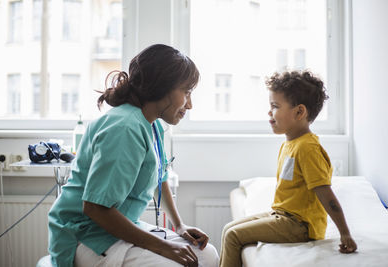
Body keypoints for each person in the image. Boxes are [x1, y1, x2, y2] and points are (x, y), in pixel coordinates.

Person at [48, 44, 219, 267]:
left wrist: (179, 226)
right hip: (84, 236)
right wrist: (164, 247)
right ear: (162, 87)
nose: (190, 104)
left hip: (116, 230)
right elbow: (95, 208)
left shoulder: (152, 125)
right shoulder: (125, 128)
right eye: (186, 92)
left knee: (207, 255)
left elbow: (161, 175)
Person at [219, 70, 357, 267]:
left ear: (299, 112)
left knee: (233, 236)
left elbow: (325, 194)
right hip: (284, 216)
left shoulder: (308, 148)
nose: (269, 112)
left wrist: (345, 233)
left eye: (275, 106)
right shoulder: (290, 144)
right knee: (228, 229)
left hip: (301, 225)